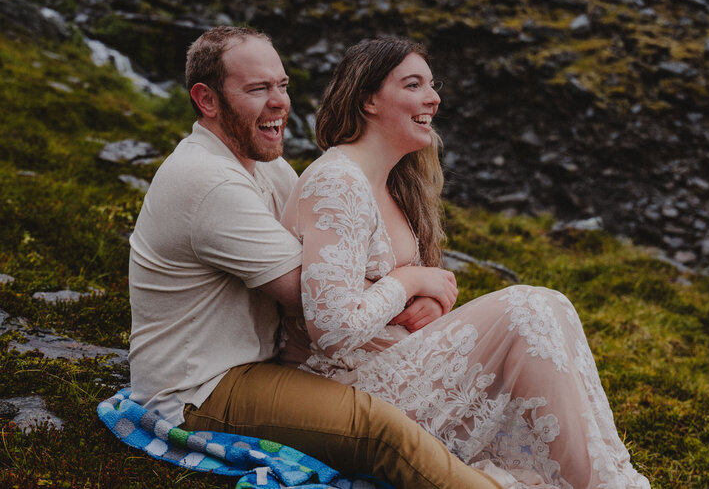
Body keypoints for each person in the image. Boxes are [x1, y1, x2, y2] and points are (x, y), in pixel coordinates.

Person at [127, 26, 503, 489]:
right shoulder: (209, 183)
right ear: (206, 100)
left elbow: (338, 279)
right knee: (379, 428)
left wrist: (427, 290)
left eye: (282, 85)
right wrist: (411, 283)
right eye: (258, 89)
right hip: (199, 389)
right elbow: (315, 299)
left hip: (256, 367)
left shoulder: (269, 167)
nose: (280, 101)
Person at [279, 37, 651, 489]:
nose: (433, 98)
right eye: (413, 84)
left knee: (553, 307)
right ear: (368, 100)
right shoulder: (337, 181)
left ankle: (608, 479)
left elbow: (380, 290)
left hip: (398, 365)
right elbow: (332, 328)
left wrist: (431, 300)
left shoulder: (392, 183)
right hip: (349, 391)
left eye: (432, 85)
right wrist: (410, 278)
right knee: (527, 309)